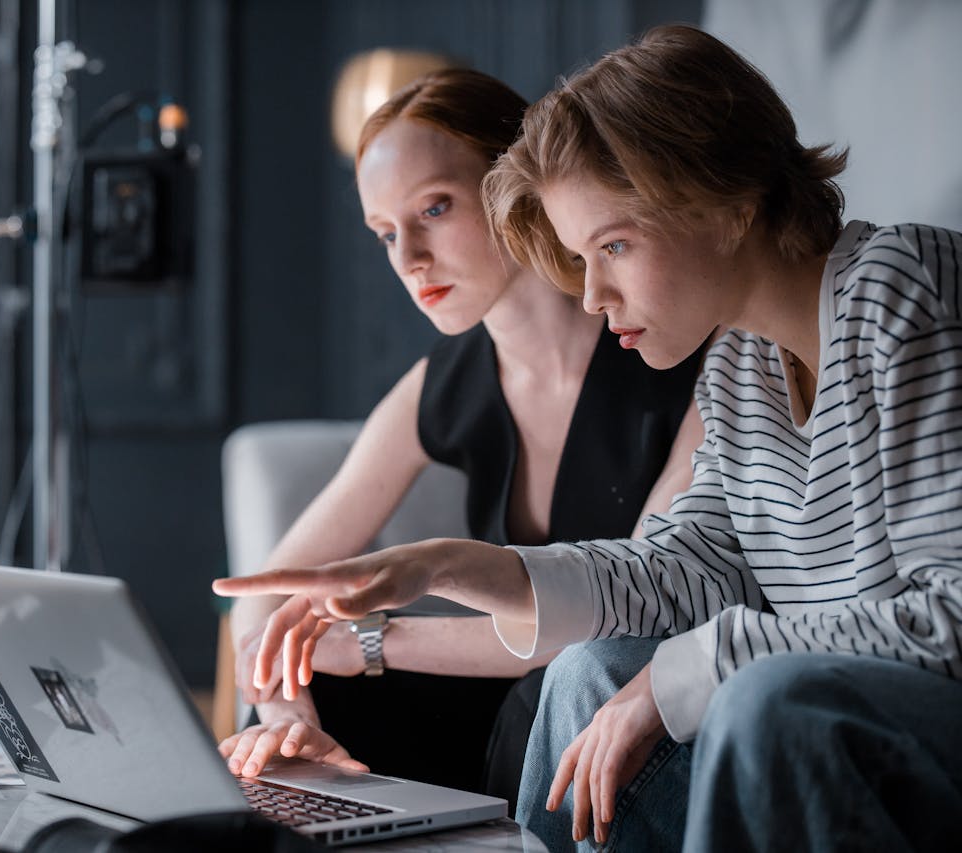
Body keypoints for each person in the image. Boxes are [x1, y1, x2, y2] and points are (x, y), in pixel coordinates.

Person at [214, 24, 962, 853]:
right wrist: (442, 564)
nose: (594, 293)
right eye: (580, 254)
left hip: (910, 713)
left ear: (726, 202)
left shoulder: (899, 286)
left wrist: (690, 670)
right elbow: (680, 573)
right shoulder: (741, 361)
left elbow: (950, 617)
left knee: (758, 696)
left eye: (613, 245)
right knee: (587, 670)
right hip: (827, 710)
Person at [221, 68, 706, 806]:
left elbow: (623, 607)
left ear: (516, 185)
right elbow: (265, 596)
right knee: (308, 692)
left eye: (434, 208)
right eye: (386, 233)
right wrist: (288, 717)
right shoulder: (442, 382)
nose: (408, 258)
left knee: (557, 675)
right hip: (507, 708)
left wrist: (374, 641)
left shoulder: (666, 344)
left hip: (614, 691)